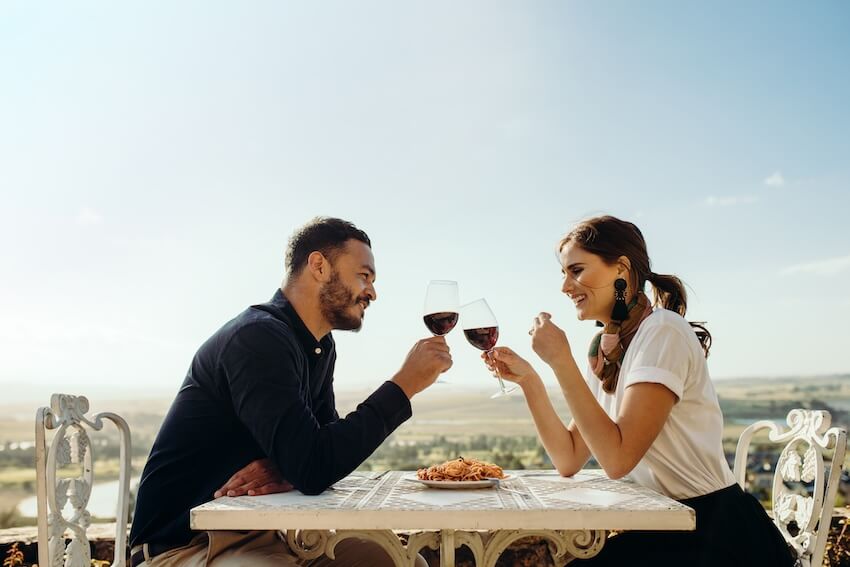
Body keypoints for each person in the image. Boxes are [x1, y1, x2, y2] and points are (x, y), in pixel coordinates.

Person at [129, 217, 451, 567]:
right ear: (318, 266)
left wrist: (289, 466)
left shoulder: (319, 347)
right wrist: (404, 385)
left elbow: (323, 454)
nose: (372, 292)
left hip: (263, 534)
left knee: (403, 562)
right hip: (185, 545)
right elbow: (315, 466)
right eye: (364, 275)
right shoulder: (257, 338)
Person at [483, 215, 794, 566]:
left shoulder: (663, 332)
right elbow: (569, 457)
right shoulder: (606, 347)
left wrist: (562, 362)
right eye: (564, 273)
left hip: (715, 534)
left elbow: (617, 459)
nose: (566, 287)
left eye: (577, 270)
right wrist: (530, 381)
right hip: (665, 529)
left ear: (621, 268)